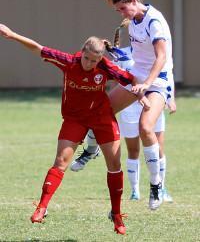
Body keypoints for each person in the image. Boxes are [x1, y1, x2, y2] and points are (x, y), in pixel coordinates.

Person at [0, 23, 151, 235]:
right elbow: (37, 48)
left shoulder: (105, 67)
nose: (89, 63)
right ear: (82, 52)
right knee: (61, 161)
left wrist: (142, 95)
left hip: (101, 117)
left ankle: (116, 214)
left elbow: (130, 79)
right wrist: (12, 35)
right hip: (75, 119)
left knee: (114, 163)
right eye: (87, 58)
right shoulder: (69, 61)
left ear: (100, 59)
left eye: (94, 60)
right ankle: (42, 207)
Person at [73, 0, 174, 211]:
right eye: (117, 10)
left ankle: (156, 186)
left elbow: (162, 58)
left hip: (158, 79)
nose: (120, 14)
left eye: (122, 9)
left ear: (133, 1)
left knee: (145, 127)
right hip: (137, 76)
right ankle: (91, 150)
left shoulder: (154, 21)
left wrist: (147, 85)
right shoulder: (131, 12)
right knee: (101, 111)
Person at [71, 43, 176, 203]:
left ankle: (160, 188)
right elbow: (115, 76)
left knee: (158, 148)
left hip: (154, 101)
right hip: (130, 107)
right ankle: (135, 191)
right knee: (132, 150)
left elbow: (169, 75)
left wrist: (171, 98)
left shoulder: (161, 53)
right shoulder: (122, 53)